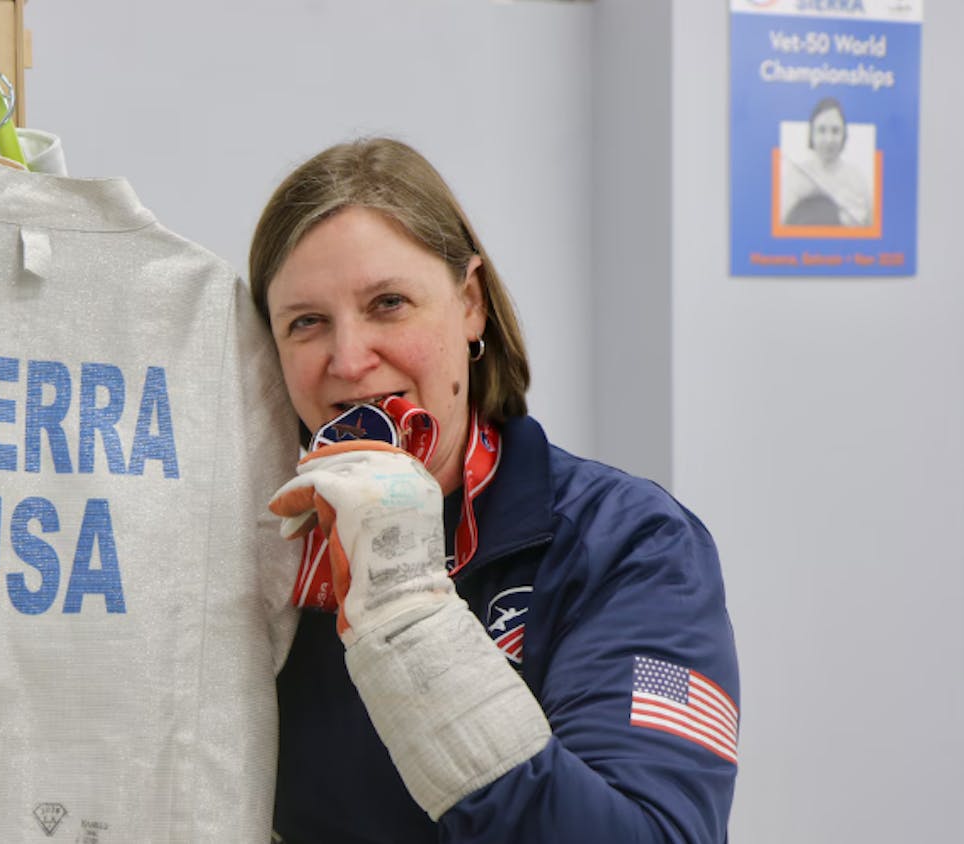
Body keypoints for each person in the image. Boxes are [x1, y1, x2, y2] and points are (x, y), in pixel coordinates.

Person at [249, 138, 739, 842]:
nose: (350, 360)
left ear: (470, 303)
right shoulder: (264, 558)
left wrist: (405, 607)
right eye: (306, 322)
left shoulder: (635, 546)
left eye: (389, 303)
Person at [780, 97, 872, 227]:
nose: (829, 139)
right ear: (811, 135)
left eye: (835, 131)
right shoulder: (794, 177)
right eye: (821, 130)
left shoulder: (858, 179)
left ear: (844, 135)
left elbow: (872, 229)